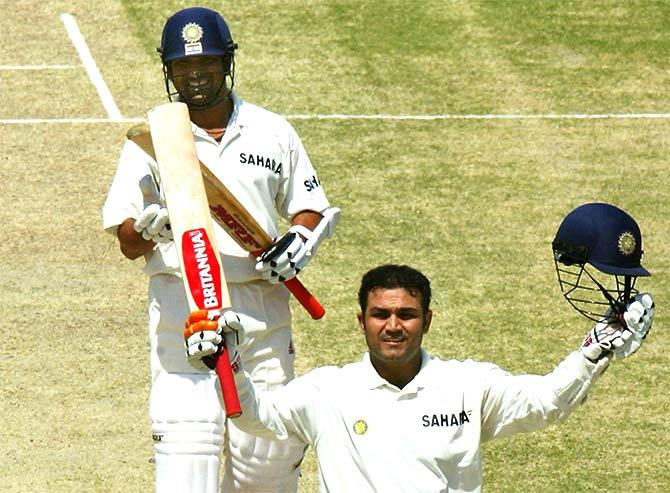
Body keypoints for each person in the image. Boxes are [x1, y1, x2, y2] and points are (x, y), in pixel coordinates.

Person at [102, 6, 339, 493]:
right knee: (186, 460)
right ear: (168, 70)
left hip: (261, 311)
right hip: (184, 309)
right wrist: (150, 229)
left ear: (227, 62)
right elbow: (127, 240)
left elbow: (309, 207)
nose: (195, 75)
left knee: (266, 465)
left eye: (206, 63)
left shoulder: (273, 130)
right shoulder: (152, 138)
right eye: (183, 66)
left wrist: (298, 240)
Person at [186, 262, 655, 492]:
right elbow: (254, 417)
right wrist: (230, 364)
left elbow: (546, 401)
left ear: (427, 320)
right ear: (362, 321)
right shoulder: (327, 391)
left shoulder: (468, 385)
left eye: (406, 314)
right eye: (381, 314)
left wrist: (595, 348)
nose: (393, 326)